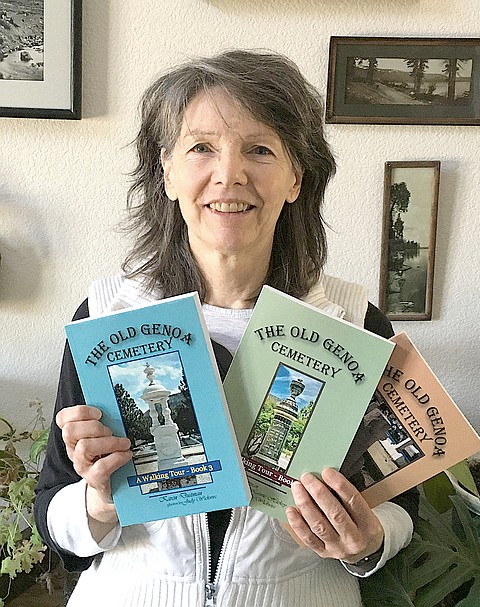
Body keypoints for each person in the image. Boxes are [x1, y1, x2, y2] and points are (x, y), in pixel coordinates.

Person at [34, 50, 417, 607]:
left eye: (260, 149)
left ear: (295, 180)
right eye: (202, 148)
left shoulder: (357, 327)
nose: (229, 173)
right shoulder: (107, 319)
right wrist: (97, 504)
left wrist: (368, 539)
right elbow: (52, 507)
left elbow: (410, 502)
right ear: (166, 173)